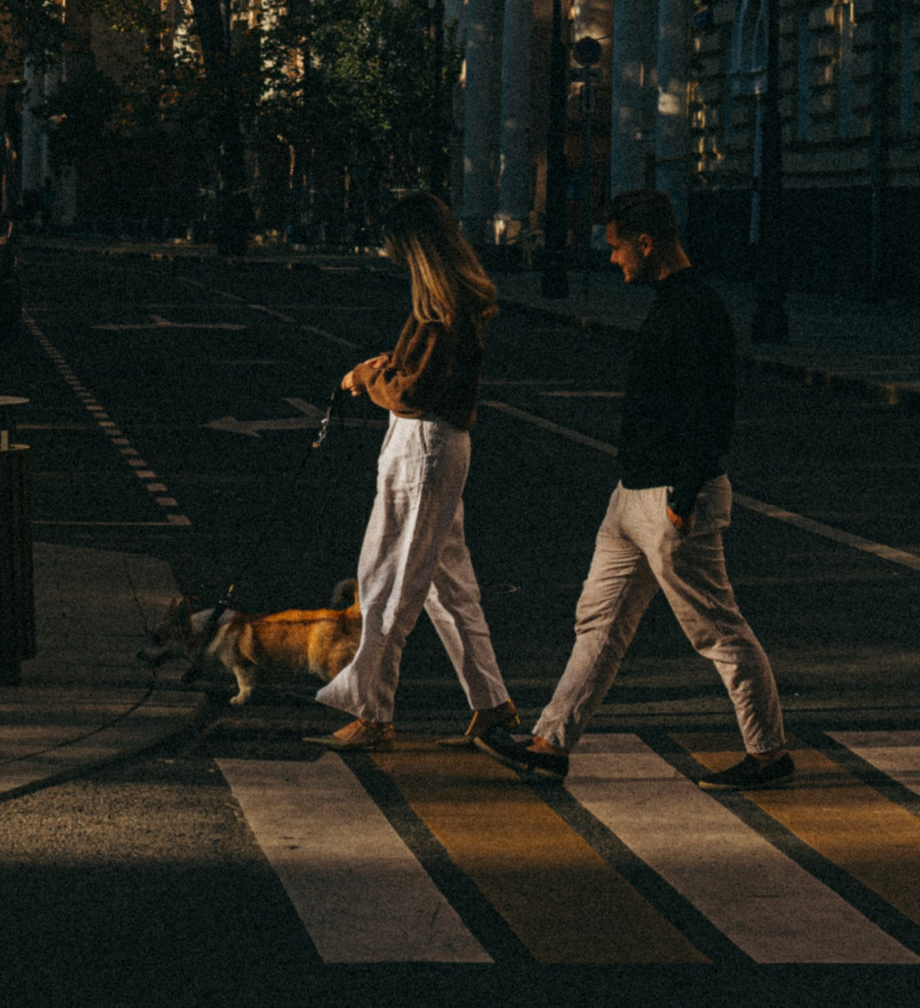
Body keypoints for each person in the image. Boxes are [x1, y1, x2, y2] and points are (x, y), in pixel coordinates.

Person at [477, 187, 791, 790]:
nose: (613, 259)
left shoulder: (696, 309)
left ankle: (769, 752)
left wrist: (683, 497)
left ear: (648, 244)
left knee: (717, 632)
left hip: (673, 498)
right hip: (631, 498)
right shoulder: (671, 303)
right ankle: (549, 743)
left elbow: (711, 413)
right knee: (598, 621)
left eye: (618, 247)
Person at [307, 192, 517, 752]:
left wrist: (365, 378)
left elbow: (411, 391)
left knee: (387, 580)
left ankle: (372, 714)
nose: (391, 255)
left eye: (396, 246)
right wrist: (390, 369)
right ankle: (492, 704)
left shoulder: (439, 309)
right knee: (448, 587)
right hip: (440, 446)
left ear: (416, 247)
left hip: (422, 448)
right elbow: (417, 377)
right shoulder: (453, 303)